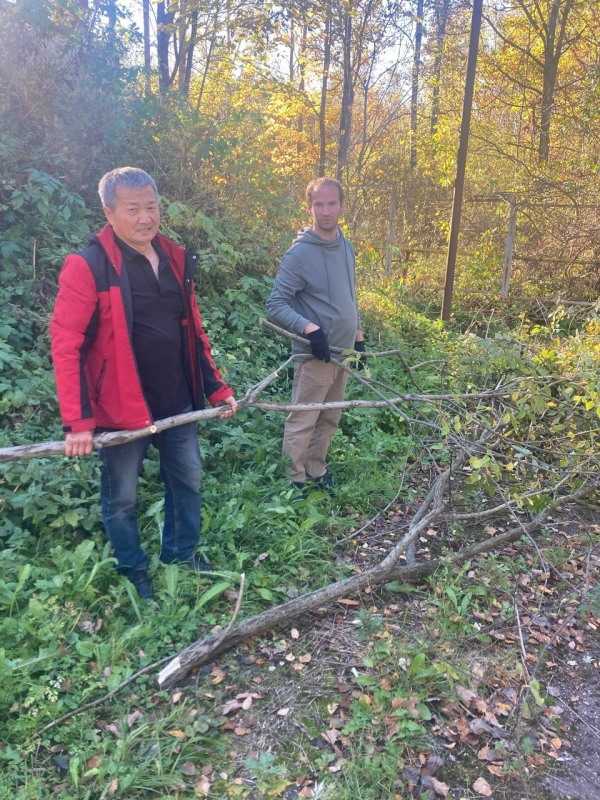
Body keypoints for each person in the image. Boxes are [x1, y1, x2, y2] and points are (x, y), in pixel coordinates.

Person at [50, 167, 238, 598]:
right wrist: (78, 422)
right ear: (109, 211)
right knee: (122, 498)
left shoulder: (173, 258)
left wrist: (216, 387)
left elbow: (193, 332)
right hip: (120, 410)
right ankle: (134, 570)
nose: (145, 218)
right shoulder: (88, 266)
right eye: (133, 209)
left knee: (188, 480)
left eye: (151, 207)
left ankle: (182, 553)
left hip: (178, 401)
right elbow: (67, 346)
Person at [266, 177, 364, 490]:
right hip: (316, 353)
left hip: (343, 351)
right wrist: (310, 330)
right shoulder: (300, 254)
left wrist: (358, 336)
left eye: (331, 203)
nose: (325, 211)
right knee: (304, 418)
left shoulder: (346, 246)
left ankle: (316, 468)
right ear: (309, 208)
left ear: (342, 205)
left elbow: (350, 294)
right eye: (318, 204)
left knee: (330, 416)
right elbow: (276, 303)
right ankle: (293, 479)